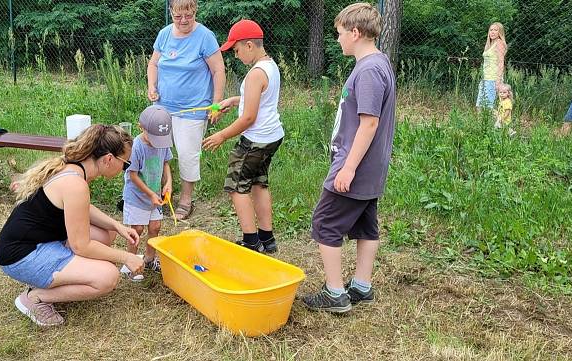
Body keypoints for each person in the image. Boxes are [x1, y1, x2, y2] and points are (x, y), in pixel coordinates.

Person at [0, 124, 142, 327]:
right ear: (108, 159)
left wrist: (116, 225)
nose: (125, 168)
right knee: (107, 276)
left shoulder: (73, 169)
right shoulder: (76, 184)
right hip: (21, 255)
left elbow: (82, 208)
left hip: (35, 241)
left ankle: (62, 272)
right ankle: (35, 298)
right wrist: (126, 257)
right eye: (125, 164)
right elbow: (81, 246)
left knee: (106, 233)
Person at [302, 3, 396, 313]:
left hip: (356, 166)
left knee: (325, 223)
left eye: (340, 33)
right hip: (372, 168)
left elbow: (369, 123)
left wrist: (347, 168)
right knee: (366, 225)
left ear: (355, 33)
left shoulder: (368, 70)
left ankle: (335, 293)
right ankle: (362, 286)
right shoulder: (379, 63)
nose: (338, 39)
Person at [202, 19, 284, 254]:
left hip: (255, 140)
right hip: (271, 137)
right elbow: (260, 101)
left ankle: (251, 242)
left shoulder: (256, 74)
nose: (235, 55)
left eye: (236, 50)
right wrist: (233, 100)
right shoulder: (270, 66)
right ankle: (267, 239)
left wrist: (222, 136)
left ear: (249, 45)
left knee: (237, 187)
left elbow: (248, 118)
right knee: (259, 183)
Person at [147, 0, 226, 221]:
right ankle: (159, 195)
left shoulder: (205, 36)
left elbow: (218, 70)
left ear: (195, 11)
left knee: (187, 154)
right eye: (178, 16)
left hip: (193, 109)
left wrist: (216, 104)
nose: (183, 20)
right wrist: (151, 86)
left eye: (188, 15)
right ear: (171, 12)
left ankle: (185, 200)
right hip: (162, 107)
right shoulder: (164, 34)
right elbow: (153, 64)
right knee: (157, 151)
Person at [120, 105, 173, 281]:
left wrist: (169, 183)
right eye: (154, 137)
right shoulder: (136, 146)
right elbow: (132, 175)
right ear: (141, 127)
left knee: (155, 227)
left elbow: (166, 162)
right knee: (137, 230)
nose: (157, 142)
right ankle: (130, 264)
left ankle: (149, 259)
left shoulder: (162, 142)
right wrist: (150, 193)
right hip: (137, 197)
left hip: (155, 197)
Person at [476, 22, 507, 112]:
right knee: (479, 106)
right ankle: (480, 126)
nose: (492, 32)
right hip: (485, 78)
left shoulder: (499, 43)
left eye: (495, 30)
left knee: (489, 107)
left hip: (493, 79)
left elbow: (501, 63)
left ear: (500, 32)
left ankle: (502, 123)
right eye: (491, 30)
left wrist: (498, 81)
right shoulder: (490, 44)